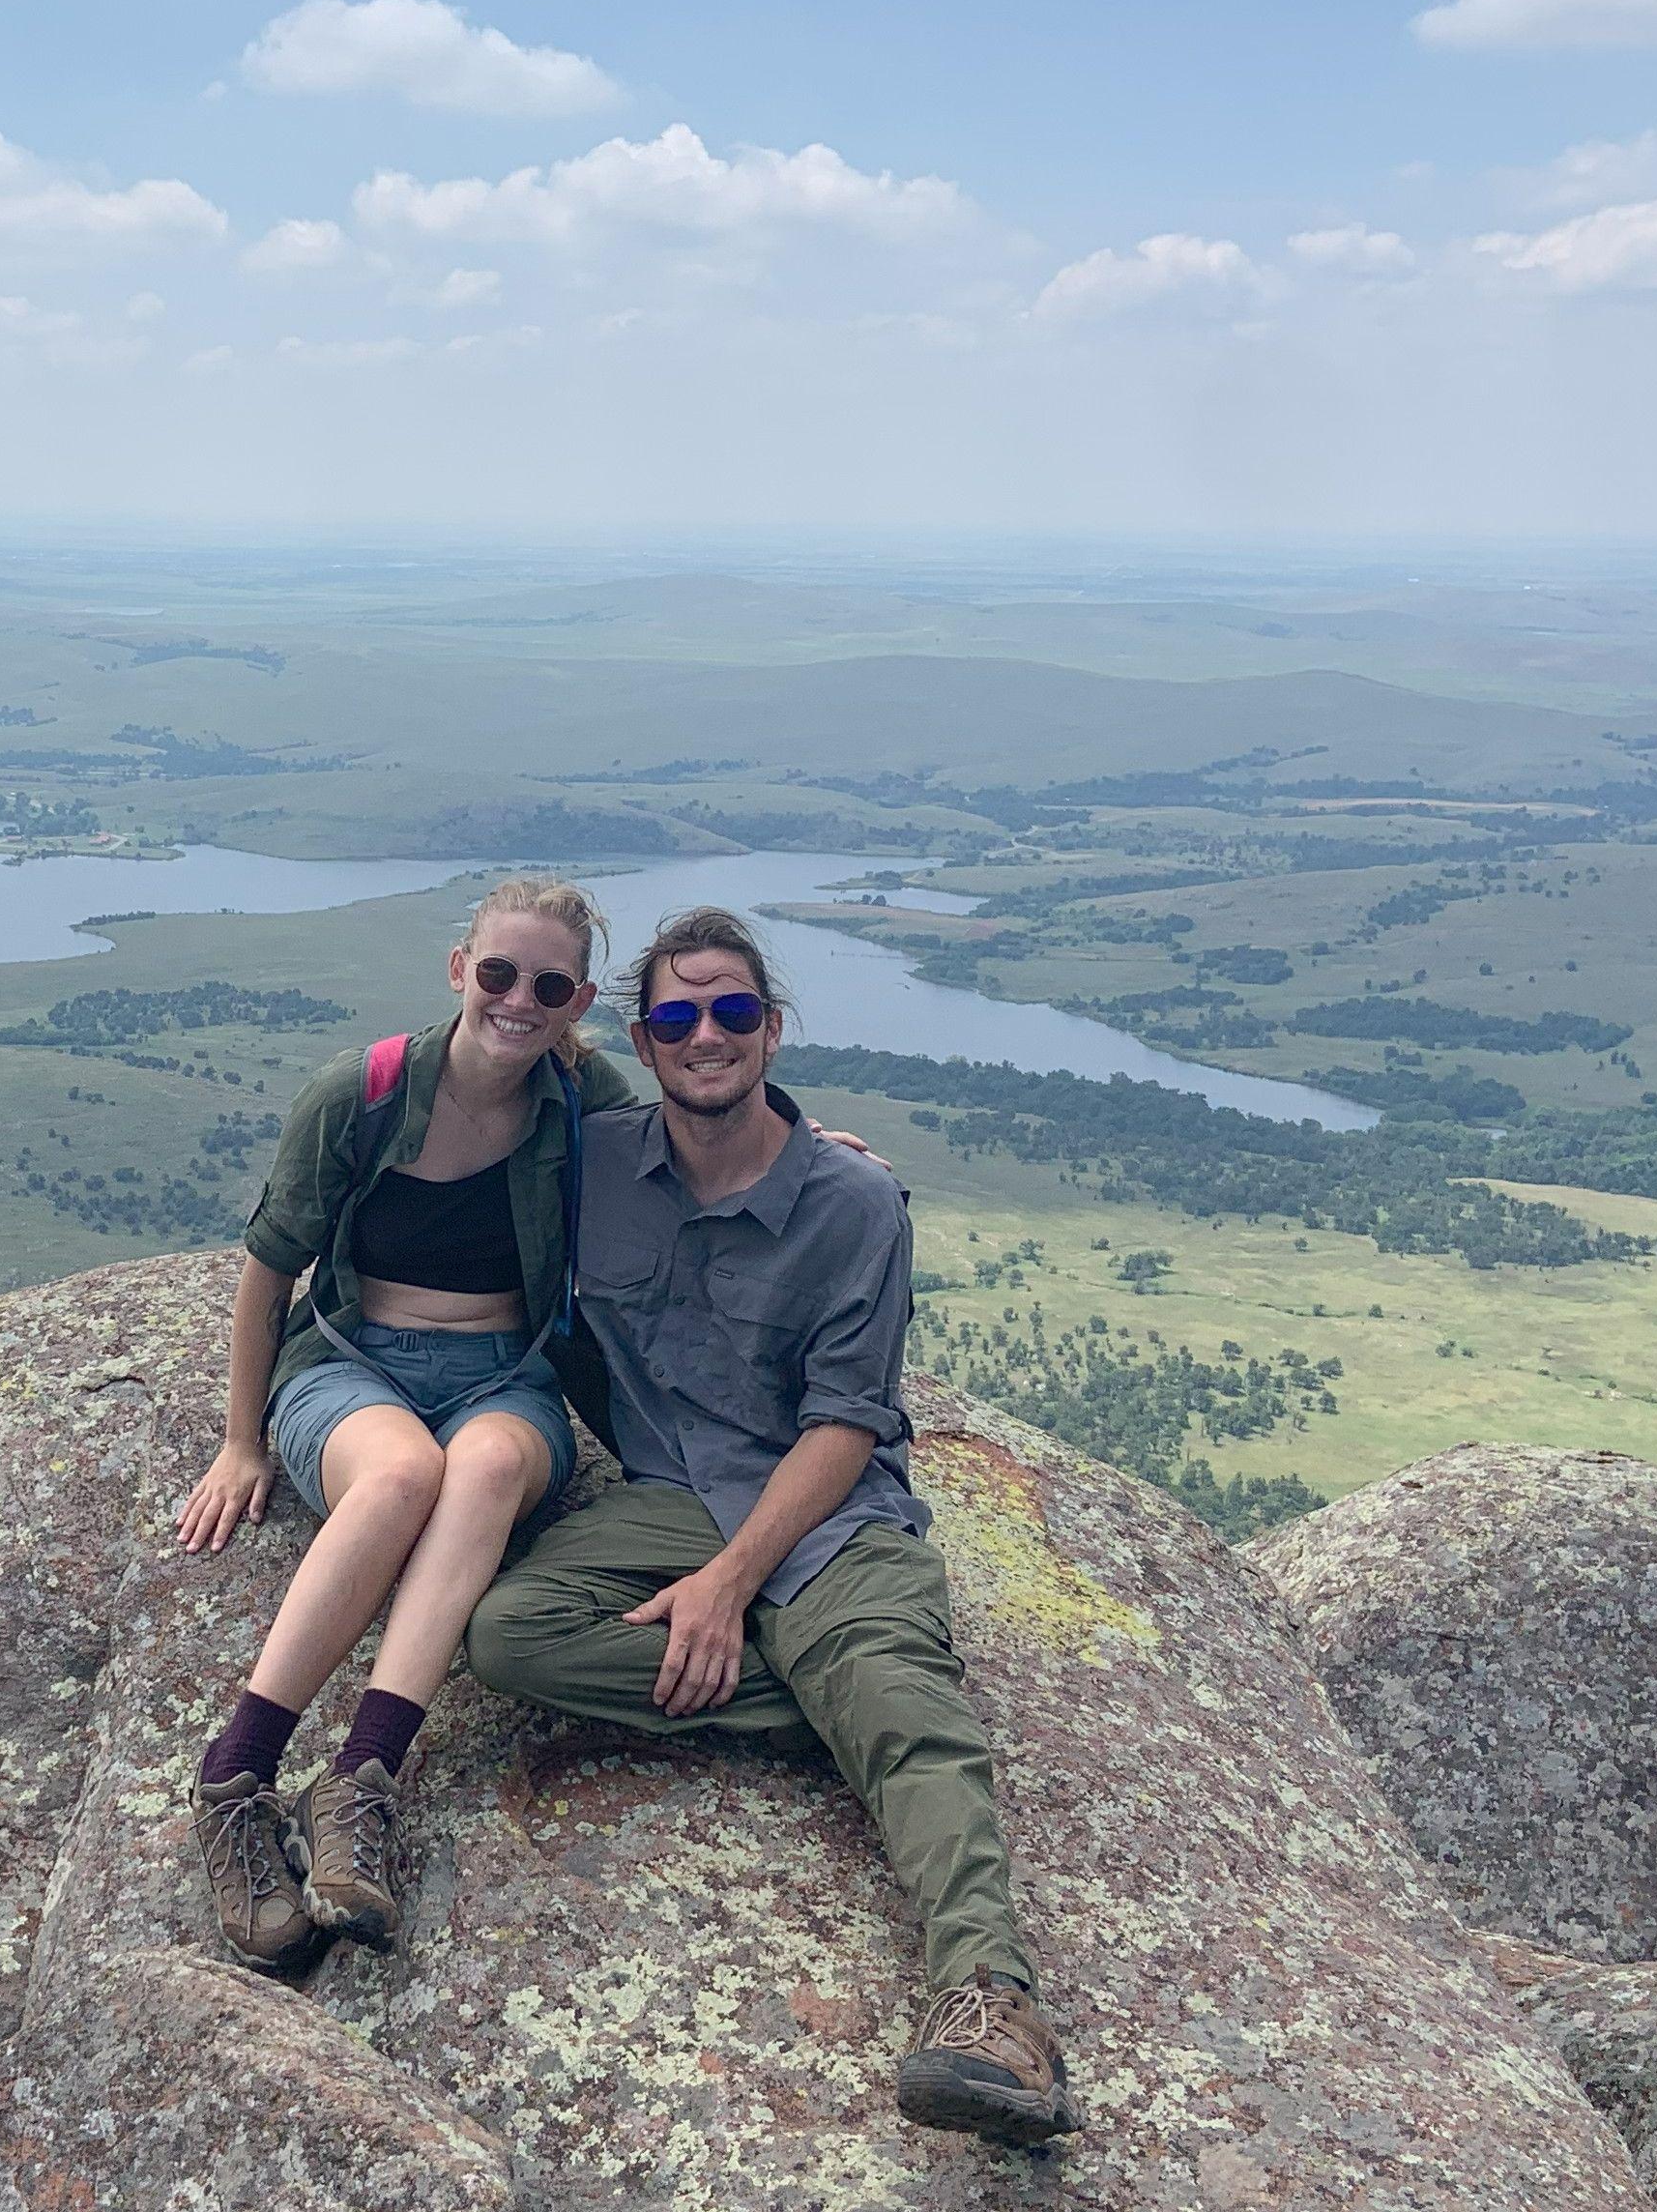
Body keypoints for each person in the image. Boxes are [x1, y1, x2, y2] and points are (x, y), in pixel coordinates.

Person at [461, 903, 1078, 2145]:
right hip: (668, 1497)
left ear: (772, 1030)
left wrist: (733, 1585)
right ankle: (837, 1717)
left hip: (827, 1512)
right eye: (680, 1017)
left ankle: (994, 2009)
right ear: (644, 1037)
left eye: (733, 1011)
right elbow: (486, 1057)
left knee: (909, 1714)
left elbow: (846, 1422)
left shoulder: (852, 1204)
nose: (708, 1035)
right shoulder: (594, 1160)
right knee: (514, 1635)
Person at [175, 878, 635, 1970]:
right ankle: (236, 1778)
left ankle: (363, 1781)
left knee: (475, 1472)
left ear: (578, 1002)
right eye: (499, 974)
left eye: (550, 985)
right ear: (458, 969)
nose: (520, 1001)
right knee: (398, 1481)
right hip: (352, 1362)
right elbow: (266, 1273)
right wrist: (242, 1440)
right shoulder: (363, 1093)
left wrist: (814, 1150)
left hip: (507, 1375)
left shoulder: (584, 1099)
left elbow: (704, 1152)